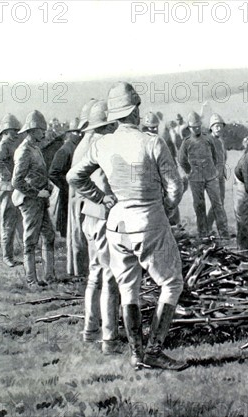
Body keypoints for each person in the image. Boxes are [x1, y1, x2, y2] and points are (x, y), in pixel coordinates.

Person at [68, 81, 188, 371]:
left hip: (116, 224)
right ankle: (154, 351)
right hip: (149, 220)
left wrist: (103, 198)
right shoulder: (152, 142)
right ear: (135, 111)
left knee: (127, 289)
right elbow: (175, 187)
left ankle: (136, 354)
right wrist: (167, 208)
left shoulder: (102, 144)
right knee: (172, 283)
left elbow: (74, 177)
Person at [67, 100, 121, 353]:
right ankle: (109, 338)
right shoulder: (100, 144)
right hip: (102, 216)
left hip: (90, 216)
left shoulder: (83, 143)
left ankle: (90, 329)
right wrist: (101, 197)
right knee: (110, 276)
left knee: (95, 274)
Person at [11, 110, 56, 288]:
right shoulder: (23, 151)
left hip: (40, 201)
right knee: (30, 241)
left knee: (49, 235)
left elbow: (38, 173)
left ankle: (50, 277)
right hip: (30, 202)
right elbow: (16, 181)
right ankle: (31, 281)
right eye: (41, 130)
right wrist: (37, 193)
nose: (44, 133)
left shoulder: (35, 148)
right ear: (32, 130)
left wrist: (48, 186)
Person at [178, 111, 229, 238]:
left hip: (211, 176)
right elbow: (181, 159)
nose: (196, 129)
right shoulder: (187, 142)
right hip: (195, 179)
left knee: (218, 204)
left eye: (198, 126)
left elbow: (215, 155)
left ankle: (223, 233)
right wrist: (189, 170)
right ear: (189, 128)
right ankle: (203, 233)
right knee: (199, 206)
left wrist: (215, 169)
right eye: (193, 127)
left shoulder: (208, 139)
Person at [66, 100, 98, 277]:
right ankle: (82, 272)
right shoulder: (89, 143)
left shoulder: (84, 142)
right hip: (83, 198)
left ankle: (79, 271)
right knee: (83, 237)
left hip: (79, 196)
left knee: (79, 235)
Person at [142, 111, 186, 226]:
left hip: (164, 175)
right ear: (145, 128)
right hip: (151, 180)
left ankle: (174, 224)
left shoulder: (162, 140)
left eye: (155, 127)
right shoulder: (142, 143)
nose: (153, 130)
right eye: (150, 128)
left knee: (171, 196)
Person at [0, 113, 24, 267]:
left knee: (19, 222)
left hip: (14, 187)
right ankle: (7, 257)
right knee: (8, 223)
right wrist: (9, 176)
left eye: (17, 130)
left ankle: (25, 254)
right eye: (13, 131)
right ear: (5, 131)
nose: (16, 133)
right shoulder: (3, 145)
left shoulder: (12, 144)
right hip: (7, 188)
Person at [48, 118, 84, 238]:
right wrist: (67, 185)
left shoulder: (79, 147)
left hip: (78, 191)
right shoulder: (65, 149)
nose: (79, 134)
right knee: (68, 225)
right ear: (70, 133)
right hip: (68, 192)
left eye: (81, 132)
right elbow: (53, 173)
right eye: (76, 132)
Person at [206, 113, 229, 233]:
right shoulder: (208, 141)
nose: (219, 129)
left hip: (220, 176)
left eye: (220, 126)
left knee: (221, 201)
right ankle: (220, 230)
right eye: (216, 126)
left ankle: (208, 226)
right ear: (211, 127)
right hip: (212, 177)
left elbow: (224, 157)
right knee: (217, 203)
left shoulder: (220, 141)